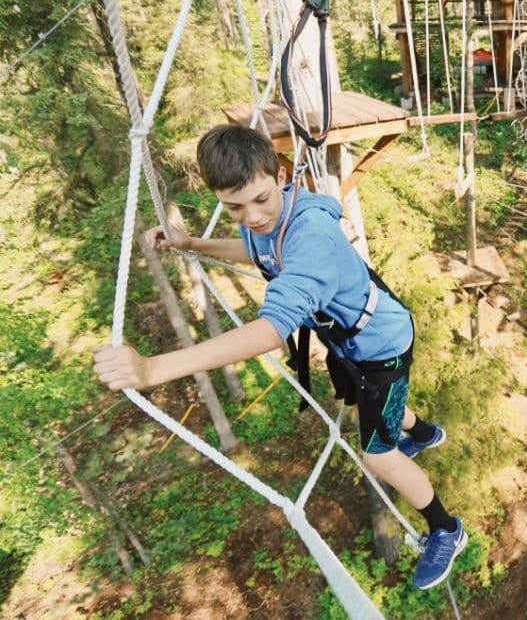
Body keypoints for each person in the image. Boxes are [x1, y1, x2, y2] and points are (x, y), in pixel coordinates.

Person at [92, 125, 466, 591]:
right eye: (233, 207)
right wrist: (192, 244)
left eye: (260, 199)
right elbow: (253, 250)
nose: (252, 216)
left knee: (379, 456)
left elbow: (270, 332)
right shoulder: (273, 219)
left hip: (380, 346)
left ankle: (446, 528)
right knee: (364, 402)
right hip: (355, 341)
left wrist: (153, 368)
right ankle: (423, 432)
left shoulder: (308, 235)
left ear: (282, 175)